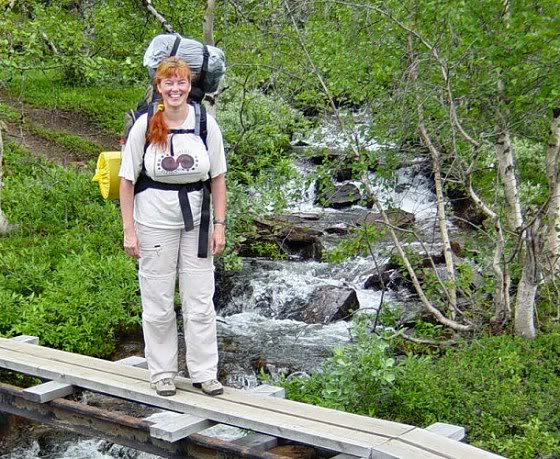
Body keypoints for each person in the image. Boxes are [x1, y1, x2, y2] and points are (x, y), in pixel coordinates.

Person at [119, 57, 227, 397]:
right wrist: (128, 230)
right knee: (158, 301)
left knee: (200, 300)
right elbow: (126, 181)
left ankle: (204, 372)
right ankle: (162, 372)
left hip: (197, 223)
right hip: (153, 222)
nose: (175, 88)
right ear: (159, 87)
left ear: (190, 86)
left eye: (181, 82)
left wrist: (220, 225)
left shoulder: (205, 123)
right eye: (169, 82)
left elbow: (219, 178)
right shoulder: (145, 125)